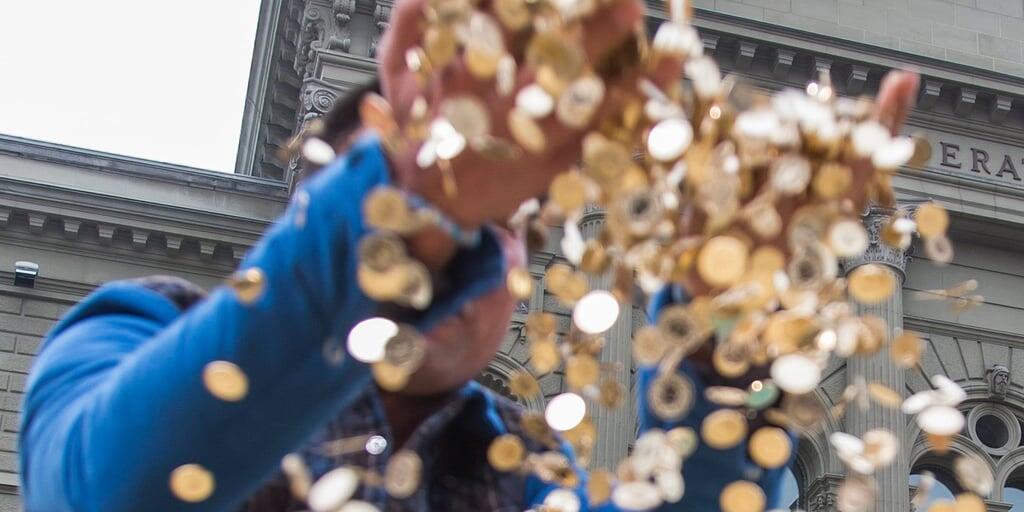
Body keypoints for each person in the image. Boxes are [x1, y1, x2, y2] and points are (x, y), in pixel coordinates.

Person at [18, 0, 921, 509]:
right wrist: (406, 212)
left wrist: (723, 333)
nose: (450, 260)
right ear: (305, 213)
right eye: (441, 220)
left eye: (493, 226)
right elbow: (108, 490)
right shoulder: (131, 331)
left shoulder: (524, 473)